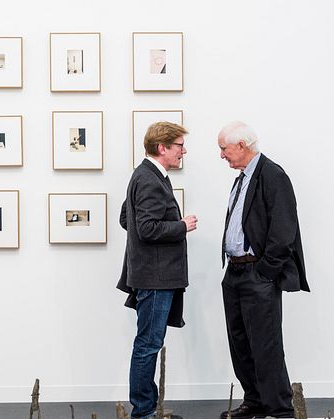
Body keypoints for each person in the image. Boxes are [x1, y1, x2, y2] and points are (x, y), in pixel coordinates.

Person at [217, 121, 309, 419]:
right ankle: (254, 400)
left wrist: (265, 272)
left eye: (224, 149)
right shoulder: (242, 177)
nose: (222, 155)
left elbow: (284, 229)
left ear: (242, 145)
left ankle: (280, 410)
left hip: (257, 274)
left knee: (266, 344)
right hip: (234, 274)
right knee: (240, 342)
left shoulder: (272, 174)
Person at [117, 121, 198, 419]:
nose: (183, 151)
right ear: (162, 147)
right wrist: (181, 226)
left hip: (152, 275)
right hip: (155, 277)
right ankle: (143, 413)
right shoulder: (150, 179)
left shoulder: (146, 175)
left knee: (149, 342)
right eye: (179, 146)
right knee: (148, 344)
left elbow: (127, 219)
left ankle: (146, 410)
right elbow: (146, 228)